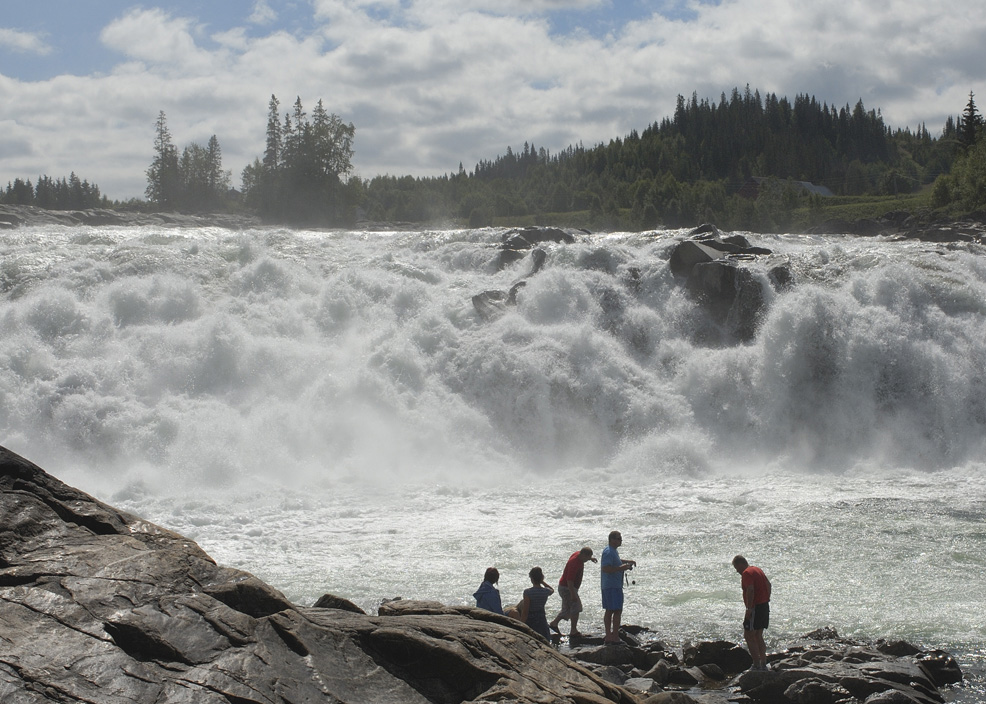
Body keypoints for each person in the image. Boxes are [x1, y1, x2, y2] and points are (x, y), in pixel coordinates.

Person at [732, 555, 772, 670]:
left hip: (755, 607)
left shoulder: (746, 573)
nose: (737, 571)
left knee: (748, 635)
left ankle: (756, 664)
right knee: (758, 635)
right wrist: (767, 598)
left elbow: (750, 589)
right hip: (764, 605)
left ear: (741, 564)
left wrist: (749, 609)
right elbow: (769, 585)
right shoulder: (757, 570)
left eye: (736, 568)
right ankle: (763, 662)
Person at [549, 547, 597, 637]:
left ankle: (554, 624)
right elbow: (569, 581)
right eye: (587, 558)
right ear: (583, 555)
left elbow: (584, 555)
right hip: (567, 588)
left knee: (566, 609)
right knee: (576, 607)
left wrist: (591, 559)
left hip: (565, 587)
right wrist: (573, 594)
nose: (587, 560)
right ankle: (573, 631)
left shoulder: (578, 554)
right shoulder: (574, 563)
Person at [600, 531, 636, 644]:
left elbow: (616, 562)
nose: (620, 541)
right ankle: (613, 636)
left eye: (621, 538)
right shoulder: (609, 552)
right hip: (611, 586)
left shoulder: (613, 551)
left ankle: (610, 635)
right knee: (615, 610)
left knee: (611, 610)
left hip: (612, 585)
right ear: (612, 540)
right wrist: (621, 568)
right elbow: (605, 568)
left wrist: (627, 562)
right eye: (618, 538)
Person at [519, 566, 555, 640]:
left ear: (532, 579)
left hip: (531, 618)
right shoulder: (545, 591)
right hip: (541, 617)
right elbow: (552, 590)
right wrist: (542, 581)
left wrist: (520, 625)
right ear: (542, 578)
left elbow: (525, 611)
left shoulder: (528, 592)